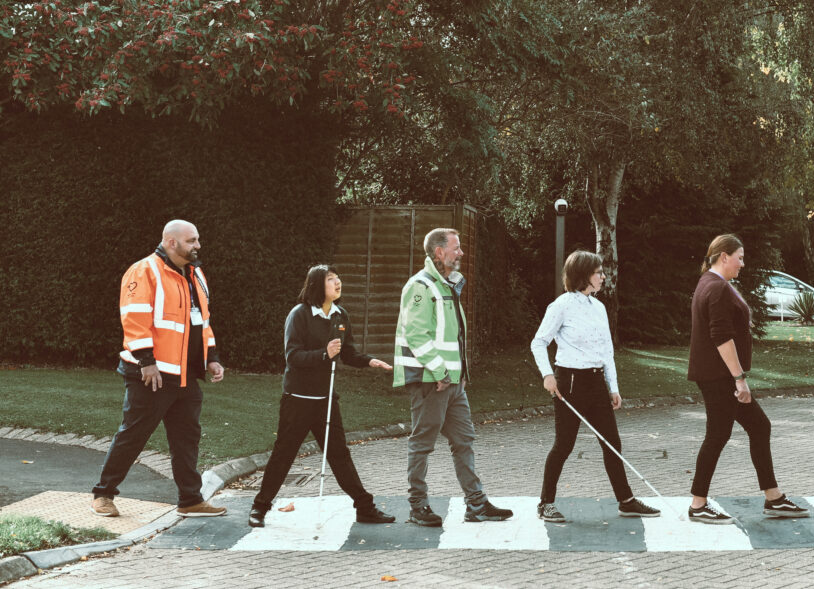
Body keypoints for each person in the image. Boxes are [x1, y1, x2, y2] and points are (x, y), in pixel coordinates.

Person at [92, 220, 227, 518]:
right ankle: (103, 494)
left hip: (184, 376)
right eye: (192, 240)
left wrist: (211, 357)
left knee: (186, 438)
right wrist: (146, 361)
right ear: (171, 242)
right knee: (134, 435)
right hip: (150, 374)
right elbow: (134, 318)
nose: (198, 246)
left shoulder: (196, 274)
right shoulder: (145, 271)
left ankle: (190, 500)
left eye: (198, 239)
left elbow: (202, 322)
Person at [248, 265, 395, 528]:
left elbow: (346, 353)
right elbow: (293, 357)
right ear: (317, 285)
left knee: (339, 455)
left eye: (338, 278)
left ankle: (365, 507)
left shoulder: (340, 315)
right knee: (283, 454)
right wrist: (323, 354)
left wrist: (369, 361)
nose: (338, 282)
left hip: (325, 400)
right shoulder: (300, 315)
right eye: (331, 279)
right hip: (298, 399)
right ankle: (259, 508)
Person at [393, 228, 512, 526]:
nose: (461, 253)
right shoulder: (421, 287)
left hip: (452, 382)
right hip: (433, 381)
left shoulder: (447, 285)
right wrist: (441, 372)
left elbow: (451, 336)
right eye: (456, 248)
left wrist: (456, 376)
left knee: (464, 440)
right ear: (439, 253)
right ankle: (418, 506)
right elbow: (417, 334)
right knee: (422, 443)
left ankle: (477, 504)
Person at [530, 250, 660, 523]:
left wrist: (613, 386)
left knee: (612, 443)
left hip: (596, 381)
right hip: (570, 382)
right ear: (583, 275)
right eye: (598, 272)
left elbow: (607, 351)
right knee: (564, 445)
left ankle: (626, 501)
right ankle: (546, 503)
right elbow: (539, 342)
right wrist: (547, 375)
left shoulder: (598, 307)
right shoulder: (561, 305)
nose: (603, 276)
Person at [686, 234, 808, 524]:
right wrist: (739, 378)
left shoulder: (712, 283)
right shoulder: (715, 287)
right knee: (718, 435)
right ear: (723, 256)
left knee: (759, 427)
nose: (742, 263)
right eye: (739, 257)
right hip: (720, 377)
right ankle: (698, 504)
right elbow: (720, 337)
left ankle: (773, 498)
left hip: (718, 375)